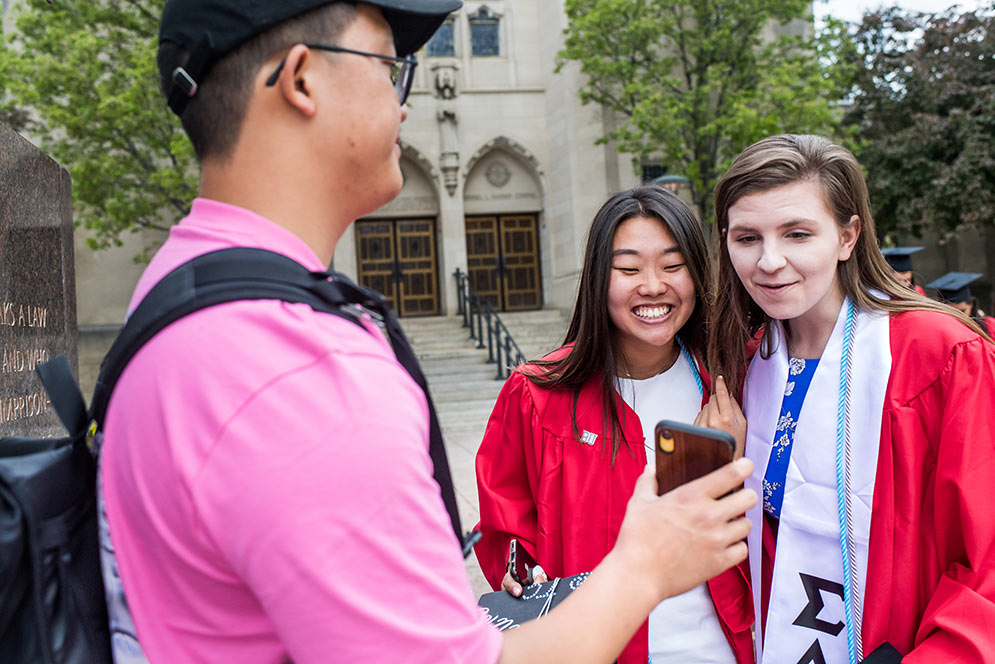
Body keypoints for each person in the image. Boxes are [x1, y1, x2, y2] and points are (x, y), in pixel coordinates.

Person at [97, 2, 758, 663]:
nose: (402, 102)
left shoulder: (182, 293)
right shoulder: (297, 368)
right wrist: (644, 562)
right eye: (390, 67)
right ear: (301, 80)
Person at [708, 134, 995, 663]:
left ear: (847, 236)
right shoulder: (746, 365)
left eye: (797, 233)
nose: (770, 261)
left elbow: (986, 565)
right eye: (747, 238)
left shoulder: (939, 357)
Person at [475, 185, 753, 664]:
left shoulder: (734, 380)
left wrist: (726, 457)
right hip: (595, 646)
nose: (652, 285)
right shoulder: (538, 395)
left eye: (673, 266)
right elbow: (504, 527)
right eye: (628, 269)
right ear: (598, 279)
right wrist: (518, 570)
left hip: (717, 648)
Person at [928, 271, 995, 337]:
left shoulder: (990, 326)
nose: (958, 316)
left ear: (971, 305)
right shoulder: (935, 332)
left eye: (962, 311)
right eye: (951, 312)